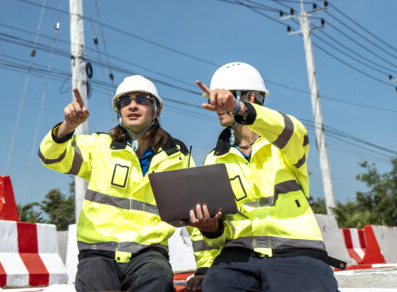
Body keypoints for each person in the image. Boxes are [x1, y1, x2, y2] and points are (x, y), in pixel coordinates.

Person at [39, 75, 213, 292]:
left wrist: (205, 266)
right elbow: (50, 157)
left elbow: (195, 215)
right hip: (97, 252)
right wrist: (67, 127)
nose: (132, 105)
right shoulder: (98, 146)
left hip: (149, 254)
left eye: (141, 99)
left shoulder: (177, 156)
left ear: (157, 110)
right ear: (118, 111)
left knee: (157, 280)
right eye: (124, 101)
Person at [188, 62, 344, 292]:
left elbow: (290, 128)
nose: (216, 103)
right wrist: (211, 228)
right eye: (214, 97)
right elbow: (220, 236)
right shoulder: (214, 159)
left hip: (297, 252)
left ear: (250, 97)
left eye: (223, 97)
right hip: (238, 257)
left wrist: (240, 109)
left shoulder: (285, 142)